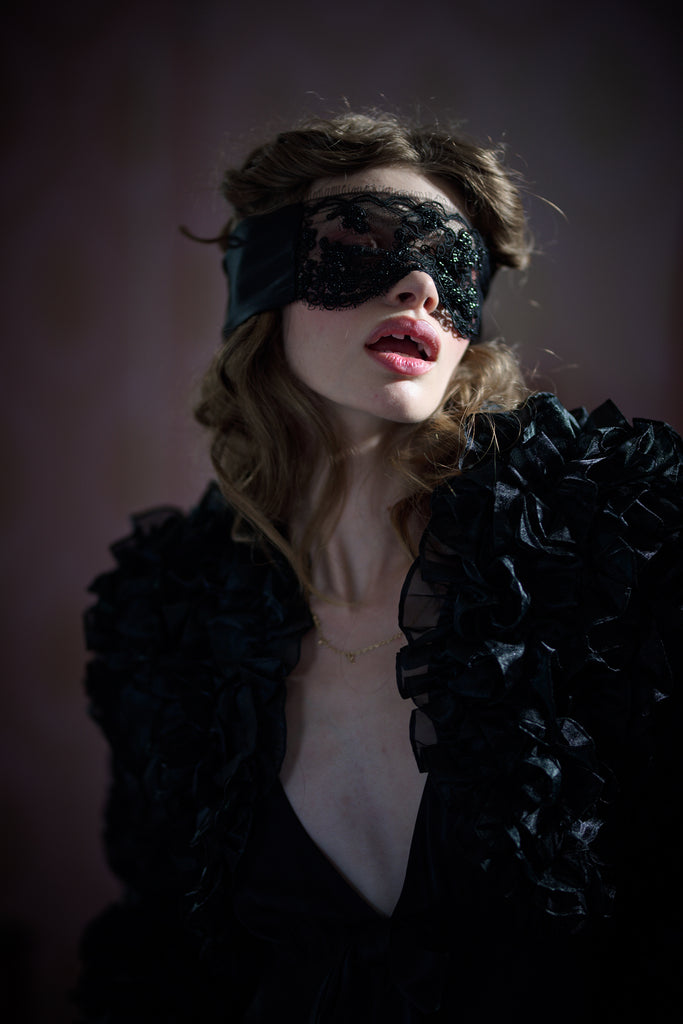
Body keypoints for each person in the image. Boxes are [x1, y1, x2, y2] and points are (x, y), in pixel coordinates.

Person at [75, 111, 682, 1023]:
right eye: (361, 242)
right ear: (263, 281)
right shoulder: (167, 614)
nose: (421, 287)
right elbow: (160, 956)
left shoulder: (604, 551)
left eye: (454, 266)